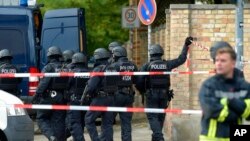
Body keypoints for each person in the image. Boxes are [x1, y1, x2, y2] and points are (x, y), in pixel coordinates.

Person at [135, 37, 193, 141]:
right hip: (164, 95)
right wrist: (186, 45)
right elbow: (181, 59)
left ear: (151, 54)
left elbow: (139, 81)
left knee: (153, 117)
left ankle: (159, 138)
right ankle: (157, 137)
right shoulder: (167, 64)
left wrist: (142, 91)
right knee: (160, 117)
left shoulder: (146, 66)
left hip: (151, 95)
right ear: (161, 53)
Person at [199, 42, 250, 141]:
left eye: (223, 60)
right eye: (217, 60)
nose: (218, 63)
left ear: (233, 63)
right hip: (212, 138)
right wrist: (236, 112)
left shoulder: (244, 86)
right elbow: (211, 110)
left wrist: (231, 102)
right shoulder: (209, 85)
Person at [34, 46, 69, 141]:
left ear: (49, 56)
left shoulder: (48, 67)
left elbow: (43, 83)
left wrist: (37, 95)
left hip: (49, 97)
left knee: (41, 118)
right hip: (62, 97)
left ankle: (51, 136)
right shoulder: (65, 68)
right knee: (58, 121)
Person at [85, 48, 116, 141]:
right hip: (111, 98)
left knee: (89, 120)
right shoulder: (112, 68)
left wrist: (88, 95)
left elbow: (91, 86)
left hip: (100, 98)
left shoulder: (98, 69)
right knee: (108, 123)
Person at [110, 46, 137, 141]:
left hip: (116, 96)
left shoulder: (114, 66)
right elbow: (137, 80)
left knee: (108, 122)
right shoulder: (133, 65)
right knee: (126, 124)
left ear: (117, 54)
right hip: (129, 96)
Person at [67, 52, 89, 141]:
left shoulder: (72, 73)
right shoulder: (89, 72)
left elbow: (67, 85)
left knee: (75, 122)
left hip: (74, 100)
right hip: (86, 100)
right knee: (82, 122)